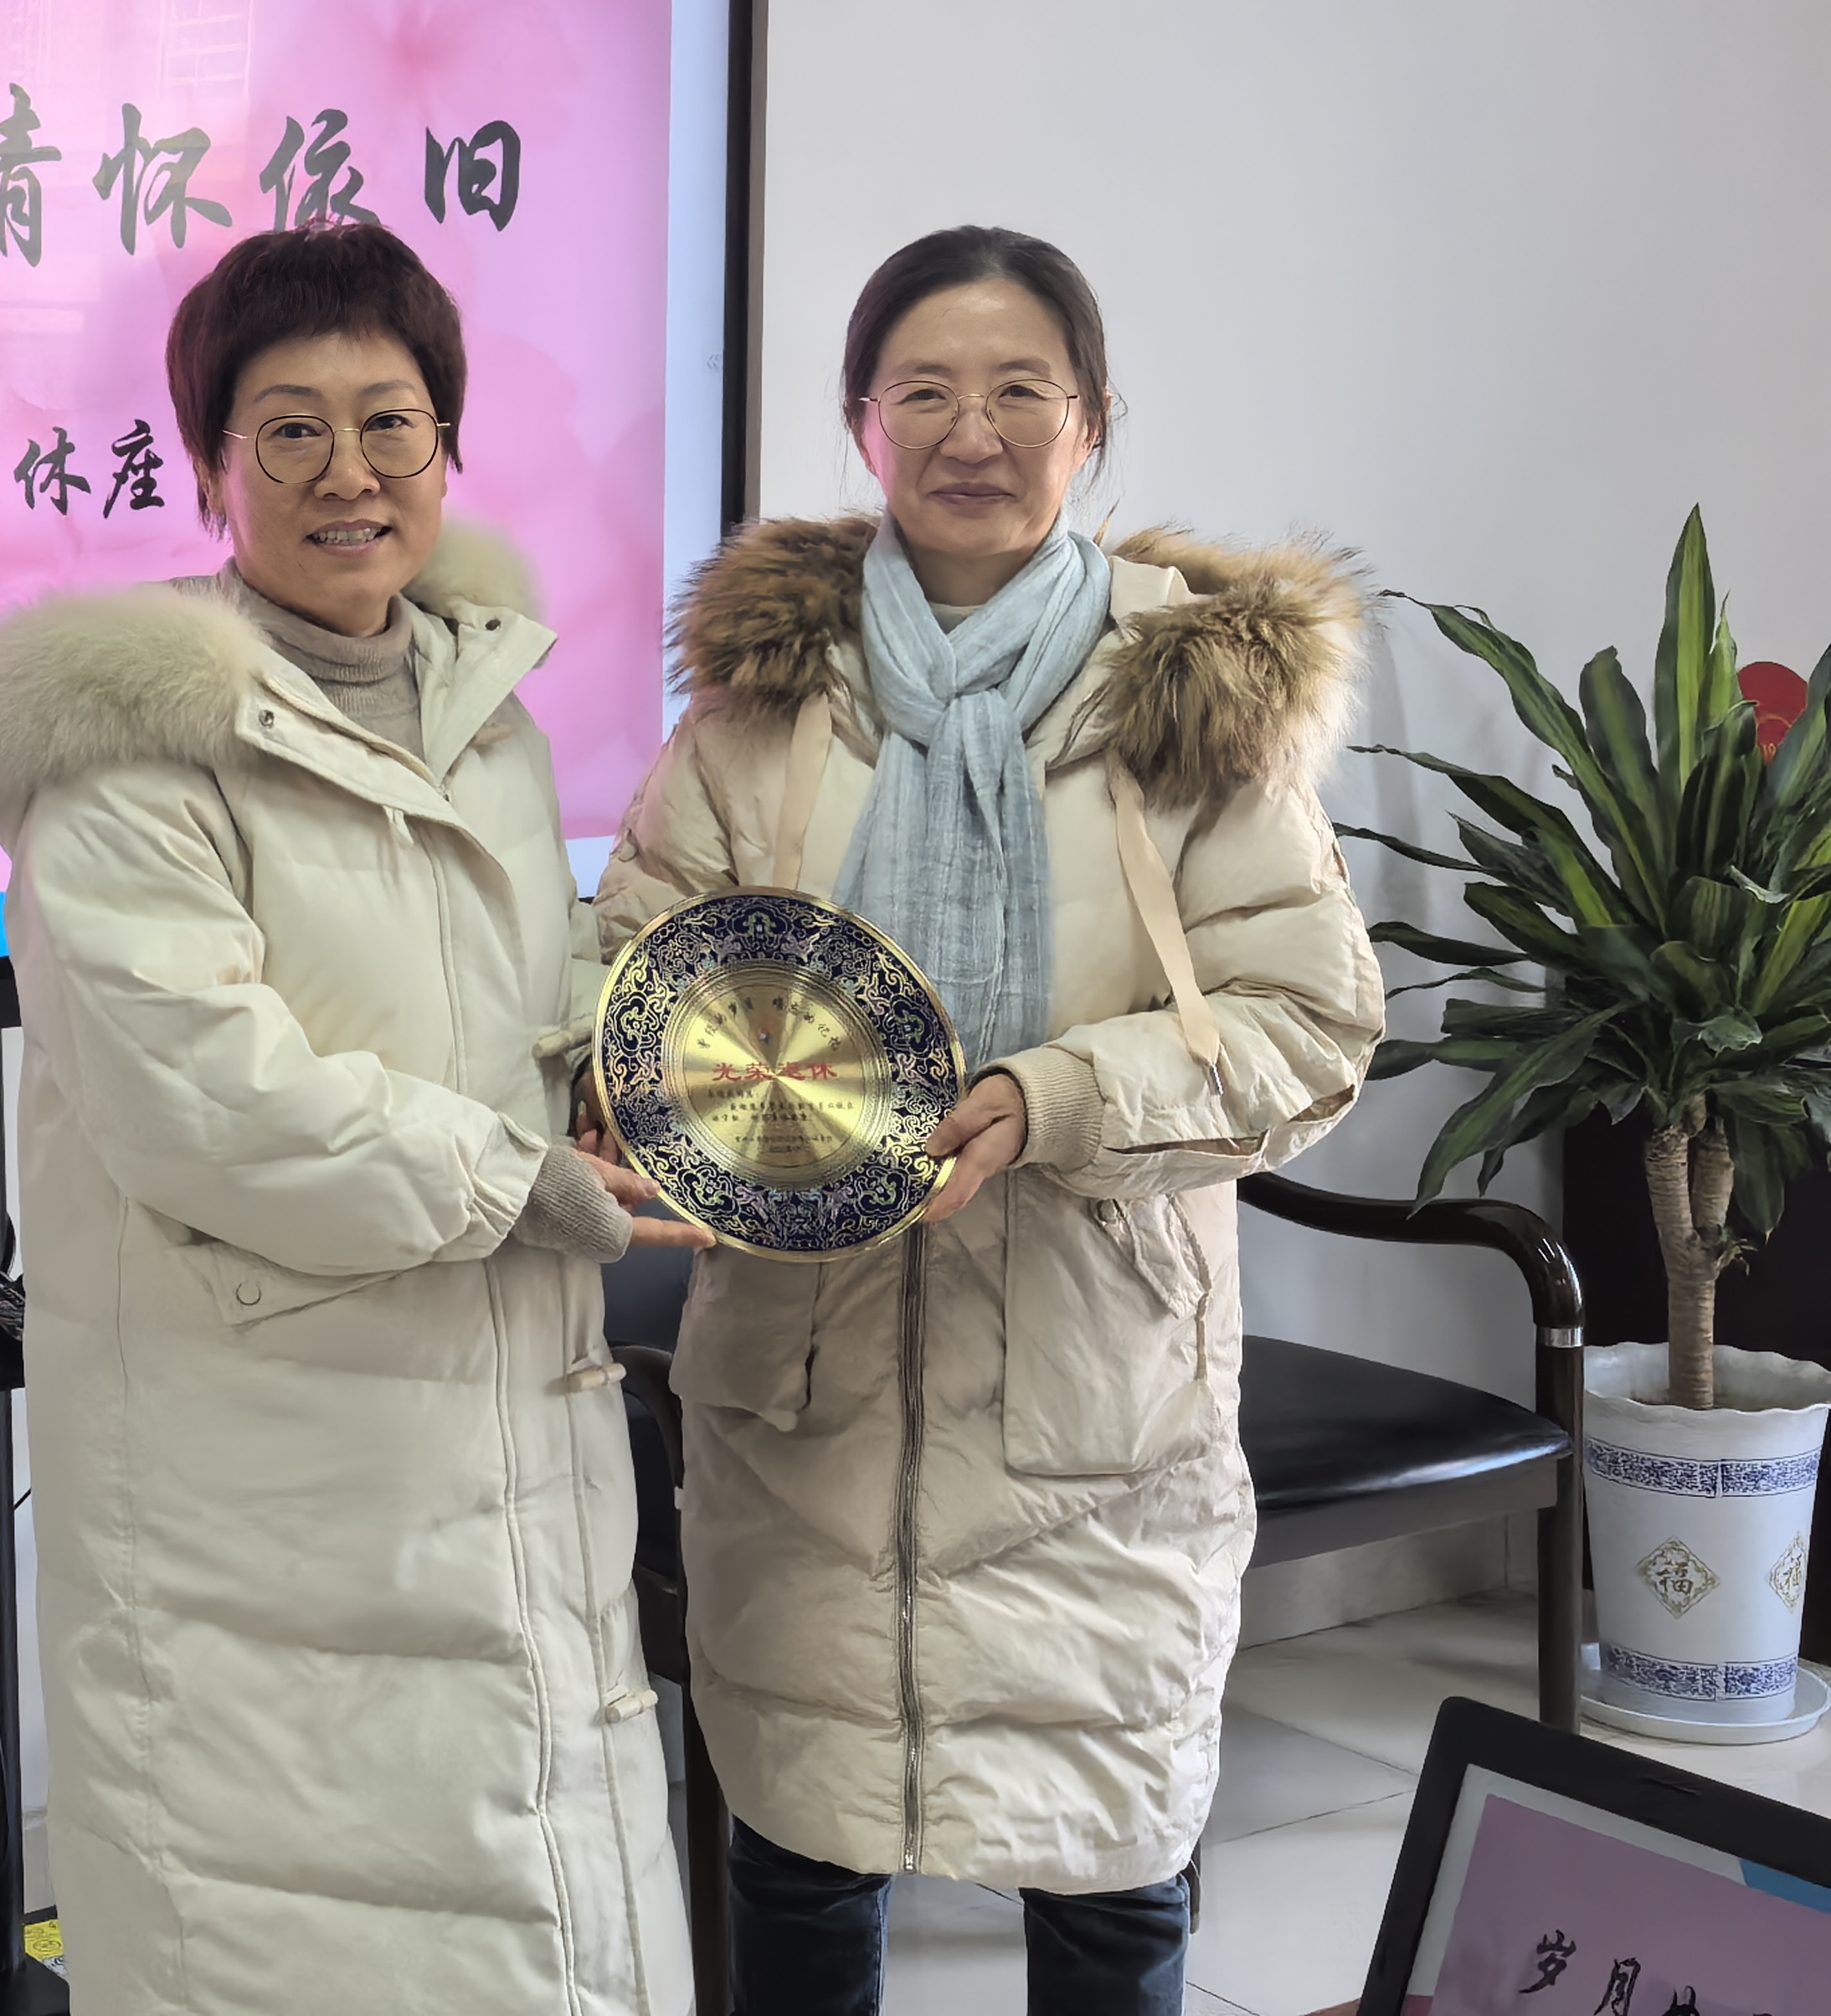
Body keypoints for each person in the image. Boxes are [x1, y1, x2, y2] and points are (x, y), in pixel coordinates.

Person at [589, 225, 1385, 2016]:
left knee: (1110, 1870)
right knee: (796, 1853)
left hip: (1095, 1394)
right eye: (924, 391)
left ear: (1090, 421)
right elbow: (634, 966)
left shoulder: (1193, 710)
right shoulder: (760, 710)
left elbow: (1311, 1026)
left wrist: (1057, 1096)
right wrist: (652, 1087)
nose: (972, 432)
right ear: (859, 422)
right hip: (805, 1389)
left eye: (1020, 389)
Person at [0, 223, 702, 2016]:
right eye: (287, 430)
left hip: (498, 1412)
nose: (348, 472)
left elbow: (510, 1011)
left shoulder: (484, 713)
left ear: (447, 446)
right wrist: (518, 1181)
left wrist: (633, 1070)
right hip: (266, 1475)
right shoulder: (128, 752)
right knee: (287, 1921)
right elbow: (203, 1097)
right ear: (208, 465)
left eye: (391, 422)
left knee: (528, 1906)